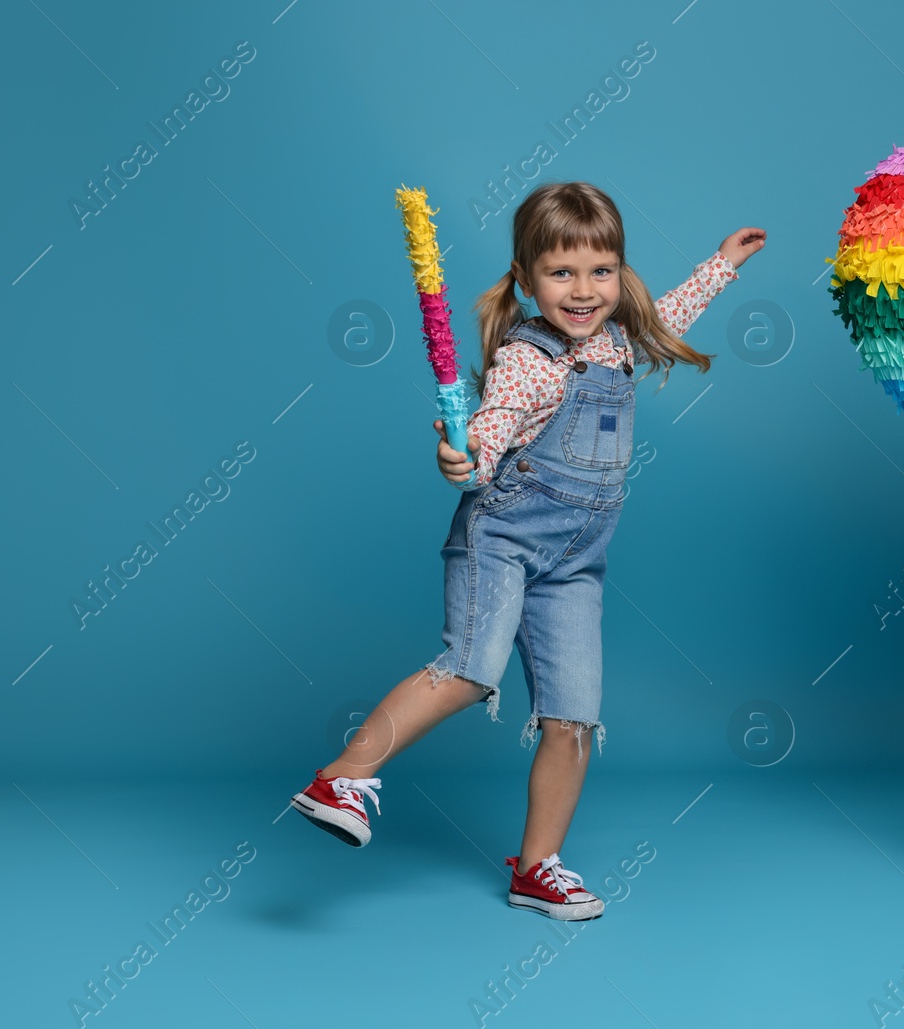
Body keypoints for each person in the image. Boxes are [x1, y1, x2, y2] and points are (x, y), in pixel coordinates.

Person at [293, 181, 764, 920]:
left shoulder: (618, 343)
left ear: (619, 271)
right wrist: (466, 459)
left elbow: (669, 314)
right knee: (469, 670)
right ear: (525, 276)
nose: (583, 291)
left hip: (575, 563)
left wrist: (723, 263)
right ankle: (341, 778)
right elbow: (492, 429)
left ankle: (537, 867)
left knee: (573, 714)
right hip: (502, 541)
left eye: (600, 271)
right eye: (562, 273)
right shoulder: (529, 360)